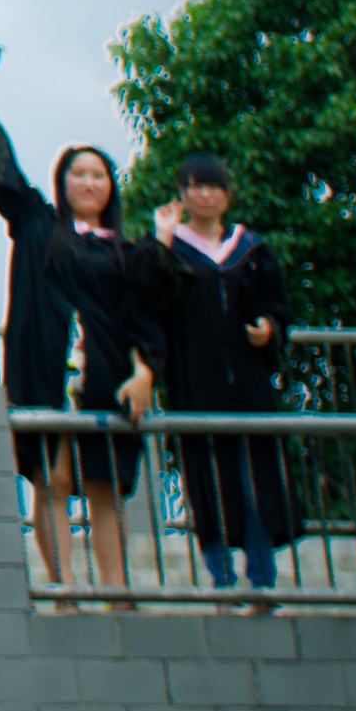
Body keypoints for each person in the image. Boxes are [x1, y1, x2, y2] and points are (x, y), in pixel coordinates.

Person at [0, 63, 153, 591]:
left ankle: (117, 592)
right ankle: (64, 587)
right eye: (78, 173)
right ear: (62, 182)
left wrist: (144, 373)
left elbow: (142, 320)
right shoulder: (39, 225)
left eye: (98, 174)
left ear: (110, 186)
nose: (88, 182)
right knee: (53, 479)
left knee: (106, 485)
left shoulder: (125, 249)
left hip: (108, 374)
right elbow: (4, 173)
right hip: (47, 367)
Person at [137, 154, 299, 595]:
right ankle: (221, 580)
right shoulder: (171, 247)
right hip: (195, 382)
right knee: (207, 483)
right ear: (183, 193)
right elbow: (151, 301)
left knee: (256, 483)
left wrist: (269, 328)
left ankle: (262, 582)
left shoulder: (252, 249)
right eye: (196, 186)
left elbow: (277, 305)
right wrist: (162, 243)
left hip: (247, 383)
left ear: (227, 194)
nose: (205, 194)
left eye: (214, 186)